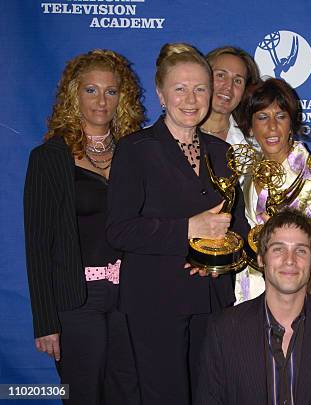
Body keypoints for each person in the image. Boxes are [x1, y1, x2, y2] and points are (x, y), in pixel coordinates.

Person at [106, 43, 249, 405]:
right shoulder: (135, 149)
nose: (191, 98)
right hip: (156, 300)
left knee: (210, 395)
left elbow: (240, 225)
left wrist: (226, 256)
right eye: (180, 89)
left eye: (200, 88)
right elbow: (120, 229)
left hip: (213, 297)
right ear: (161, 94)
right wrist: (189, 229)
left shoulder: (221, 152)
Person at [23, 49, 144, 404]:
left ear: (123, 97)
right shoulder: (48, 159)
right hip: (77, 302)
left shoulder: (135, 153)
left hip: (132, 297)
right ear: (73, 95)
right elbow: (37, 245)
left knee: (129, 393)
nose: (101, 101)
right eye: (91, 90)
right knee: (83, 396)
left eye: (111, 91)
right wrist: (46, 322)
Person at [197, 208, 311, 404]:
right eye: (278, 249)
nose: (290, 260)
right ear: (261, 259)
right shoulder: (222, 330)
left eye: (300, 250)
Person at [234, 78, 311, 303]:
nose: (272, 127)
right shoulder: (248, 170)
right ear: (250, 126)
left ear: (291, 123)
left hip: (295, 287)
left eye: (281, 116)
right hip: (249, 287)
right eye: (262, 117)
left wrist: (290, 235)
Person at [199, 46, 260, 148]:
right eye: (221, 75)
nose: (228, 86)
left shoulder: (255, 147)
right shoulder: (173, 136)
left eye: (237, 81)